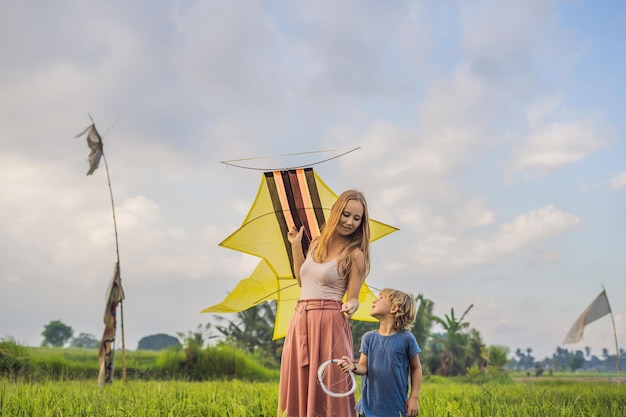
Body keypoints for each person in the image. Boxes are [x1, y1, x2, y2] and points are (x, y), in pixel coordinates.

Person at [278, 190, 371, 417]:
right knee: (301, 380)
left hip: (329, 322)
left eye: (356, 218)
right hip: (301, 319)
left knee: (330, 382)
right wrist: (296, 245)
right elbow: (302, 279)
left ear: (361, 223)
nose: (350, 222)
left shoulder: (355, 254)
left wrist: (352, 306)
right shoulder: (316, 243)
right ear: (336, 213)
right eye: (346, 214)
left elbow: (354, 297)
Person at [339, 288, 422, 417]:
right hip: (368, 409)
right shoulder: (368, 337)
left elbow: (416, 368)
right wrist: (353, 366)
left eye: (380, 298)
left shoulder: (407, 338)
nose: (374, 301)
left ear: (394, 308)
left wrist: (414, 398)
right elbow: (363, 367)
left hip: (396, 409)